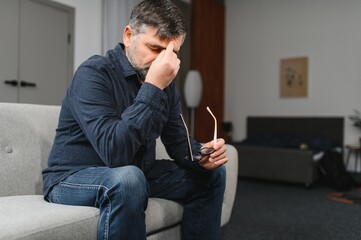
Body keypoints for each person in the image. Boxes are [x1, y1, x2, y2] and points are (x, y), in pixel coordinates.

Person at [42, 0, 228, 239]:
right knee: (129, 177)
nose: (165, 62)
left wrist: (202, 155)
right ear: (129, 36)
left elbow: (178, 143)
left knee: (212, 176)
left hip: (138, 173)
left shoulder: (166, 85)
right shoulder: (94, 73)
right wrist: (153, 86)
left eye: (172, 53)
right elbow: (115, 152)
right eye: (156, 49)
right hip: (72, 177)